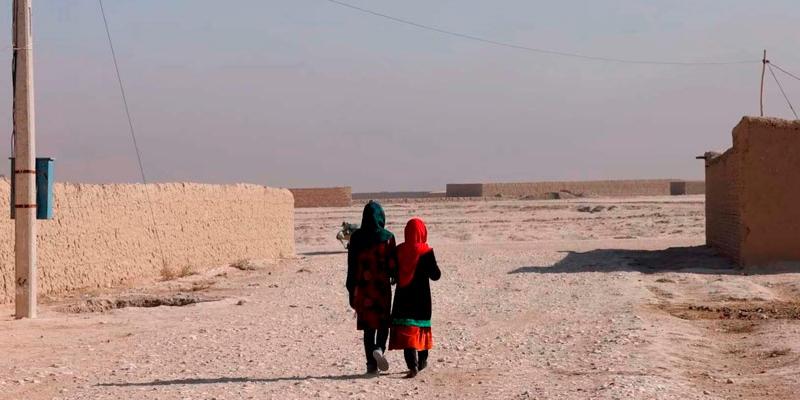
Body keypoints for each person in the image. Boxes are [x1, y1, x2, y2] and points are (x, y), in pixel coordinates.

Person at [346, 201, 397, 375]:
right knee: (383, 323)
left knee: (368, 328)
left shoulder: (356, 238)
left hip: (363, 288)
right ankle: (380, 349)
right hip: (381, 288)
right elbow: (392, 265)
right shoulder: (388, 237)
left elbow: (351, 267)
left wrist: (351, 290)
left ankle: (371, 364)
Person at [388, 218, 441, 378]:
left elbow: (393, 272)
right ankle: (423, 361)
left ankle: (412, 365)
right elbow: (436, 275)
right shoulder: (426, 251)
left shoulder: (399, 250)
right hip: (422, 299)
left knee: (406, 332)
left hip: (403, 297)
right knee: (421, 329)